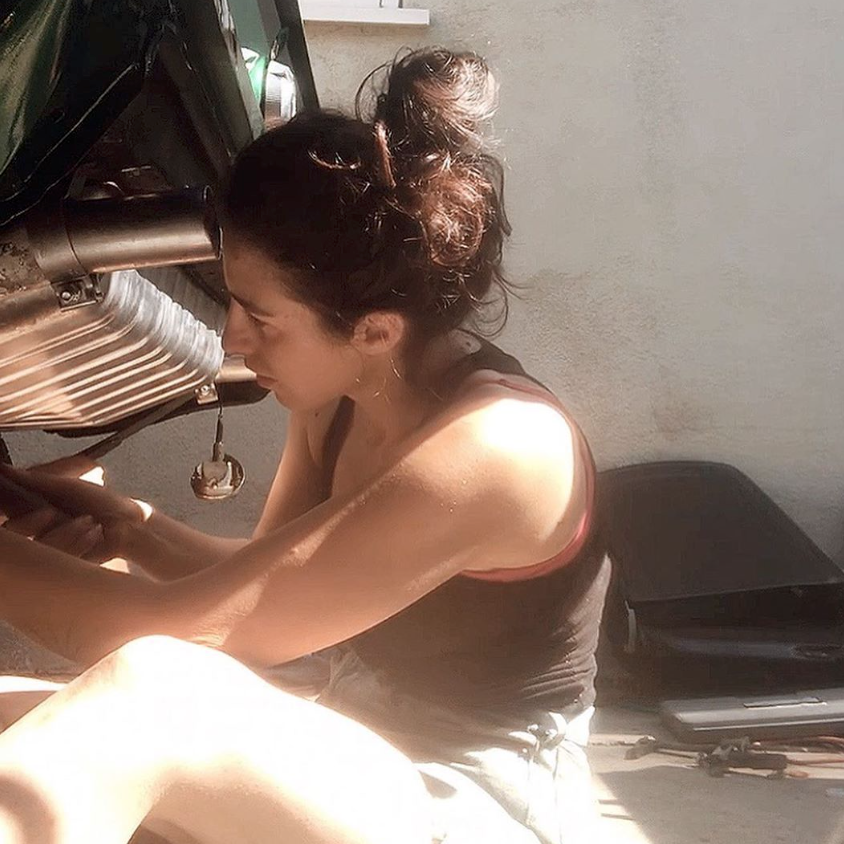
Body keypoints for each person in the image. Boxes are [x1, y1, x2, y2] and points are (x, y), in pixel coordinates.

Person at [0, 48, 609, 844]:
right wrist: (128, 527)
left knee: (151, 693)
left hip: (476, 798)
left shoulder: (503, 446)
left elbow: (185, 635)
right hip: (353, 745)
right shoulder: (344, 396)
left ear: (374, 330)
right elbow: (265, 599)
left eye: (261, 316)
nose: (233, 337)